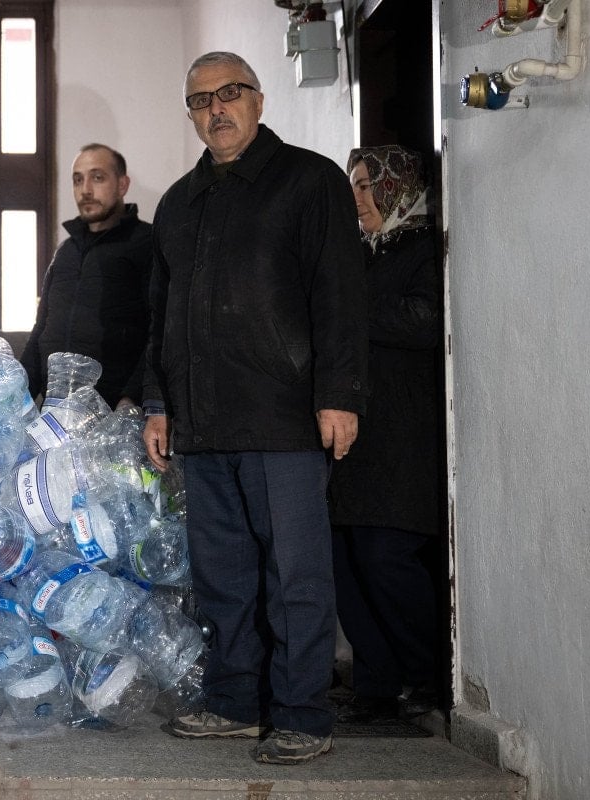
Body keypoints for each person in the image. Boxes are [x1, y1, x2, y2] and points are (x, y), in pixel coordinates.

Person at [141, 52, 368, 765]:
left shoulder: (310, 182)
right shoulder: (178, 203)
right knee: (222, 576)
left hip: (284, 418)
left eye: (230, 93)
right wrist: (158, 403)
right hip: (203, 422)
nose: (217, 109)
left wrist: (339, 396)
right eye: (200, 99)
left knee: (295, 576)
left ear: (259, 100)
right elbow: (162, 316)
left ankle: (302, 713)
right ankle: (235, 703)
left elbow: (340, 296)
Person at [329, 145, 441, 723]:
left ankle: (429, 674)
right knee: (344, 559)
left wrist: (349, 311)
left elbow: (425, 321)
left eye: (367, 184)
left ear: (398, 187)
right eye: (354, 184)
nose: (357, 196)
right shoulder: (357, 254)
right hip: (353, 434)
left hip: (404, 434)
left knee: (385, 555)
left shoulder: (424, 249)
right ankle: (377, 682)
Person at [20, 144, 152, 409]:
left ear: (122, 185)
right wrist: (18, 399)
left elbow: (160, 333)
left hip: (114, 412)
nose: (86, 190)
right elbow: (41, 330)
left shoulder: (146, 243)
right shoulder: (65, 252)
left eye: (97, 177)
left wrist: (132, 397)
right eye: (78, 180)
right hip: (54, 413)